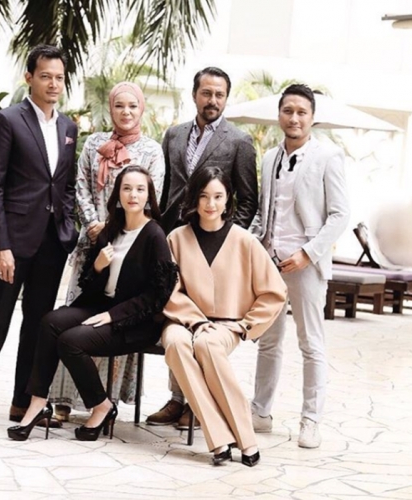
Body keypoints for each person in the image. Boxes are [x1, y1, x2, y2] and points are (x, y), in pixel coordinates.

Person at [7, 165, 178, 442]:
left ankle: (101, 406)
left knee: (71, 341)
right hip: (101, 307)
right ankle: (37, 403)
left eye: (140, 189)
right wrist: (98, 267)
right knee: (50, 322)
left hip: (135, 322)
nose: (133, 195)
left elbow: (158, 295)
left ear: (149, 195)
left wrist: (113, 316)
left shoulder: (154, 235)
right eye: (126, 188)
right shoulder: (110, 230)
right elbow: (90, 286)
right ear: (118, 194)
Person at [0, 45, 78, 433]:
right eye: (45, 76)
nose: (53, 84)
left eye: (59, 77)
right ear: (29, 77)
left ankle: (22, 402)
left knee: (37, 325)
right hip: (13, 242)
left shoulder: (68, 128)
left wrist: (67, 228)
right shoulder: (7, 120)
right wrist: (0, 245)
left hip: (51, 244)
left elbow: (64, 185)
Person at [148, 66, 258, 429]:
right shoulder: (174, 135)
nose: (213, 100)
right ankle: (177, 399)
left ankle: (199, 404)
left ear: (226, 98)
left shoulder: (239, 141)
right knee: (175, 318)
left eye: (219, 95)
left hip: (212, 249)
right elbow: (166, 190)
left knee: (206, 323)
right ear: (194, 94)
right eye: (206, 93)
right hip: (173, 243)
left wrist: (225, 242)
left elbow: (248, 200)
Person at [48, 82, 165, 419]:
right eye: (119, 106)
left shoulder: (152, 151)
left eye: (133, 106)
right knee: (75, 317)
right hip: (92, 247)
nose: (126, 112)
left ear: (142, 109)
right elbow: (81, 187)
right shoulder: (94, 144)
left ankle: (103, 399)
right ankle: (63, 400)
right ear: (110, 109)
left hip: (129, 250)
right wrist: (94, 224)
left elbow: (151, 195)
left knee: (111, 324)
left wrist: (115, 227)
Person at [161, 166, 286, 466]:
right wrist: (196, 320)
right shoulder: (176, 238)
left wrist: (246, 325)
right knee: (176, 343)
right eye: (204, 196)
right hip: (182, 320)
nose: (210, 204)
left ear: (228, 198)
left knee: (208, 344)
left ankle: (245, 439)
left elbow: (274, 291)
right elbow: (168, 290)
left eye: (218, 196)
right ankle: (218, 439)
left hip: (227, 325)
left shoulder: (245, 241)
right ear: (194, 197)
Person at [250, 84, 350, 448]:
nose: (294, 118)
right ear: (280, 114)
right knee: (268, 341)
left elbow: (340, 214)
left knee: (311, 343)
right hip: (270, 262)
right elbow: (264, 211)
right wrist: (253, 247)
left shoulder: (328, 156)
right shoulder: (268, 158)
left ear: (312, 117)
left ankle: (311, 420)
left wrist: (308, 253)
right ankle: (260, 413)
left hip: (306, 264)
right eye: (288, 111)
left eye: (301, 112)